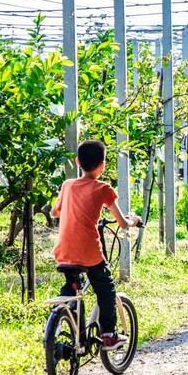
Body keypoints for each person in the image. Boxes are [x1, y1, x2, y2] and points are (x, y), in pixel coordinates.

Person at [52, 139, 141, 351]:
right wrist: (133, 220)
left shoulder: (67, 185)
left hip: (63, 252)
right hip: (89, 252)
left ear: (77, 162)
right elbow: (122, 223)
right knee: (106, 289)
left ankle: (73, 331)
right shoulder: (103, 188)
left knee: (71, 290)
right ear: (102, 165)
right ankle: (109, 334)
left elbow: (55, 212)